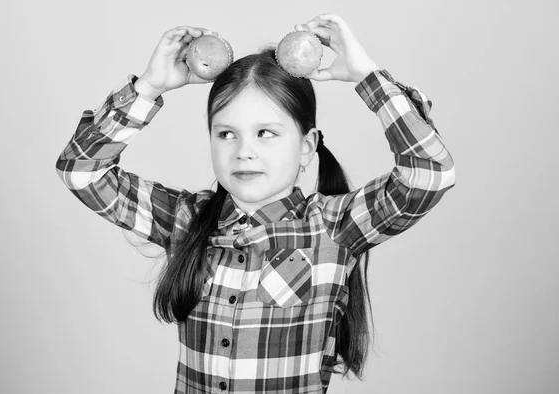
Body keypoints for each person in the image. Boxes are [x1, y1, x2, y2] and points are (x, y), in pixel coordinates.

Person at [56, 13, 456, 394]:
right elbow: (82, 171)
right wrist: (149, 87)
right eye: (226, 134)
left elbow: (429, 174)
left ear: (307, 146)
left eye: (266, 132)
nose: (244, 151)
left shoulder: (334, 228)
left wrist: (367, 77)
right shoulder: (186, 220)